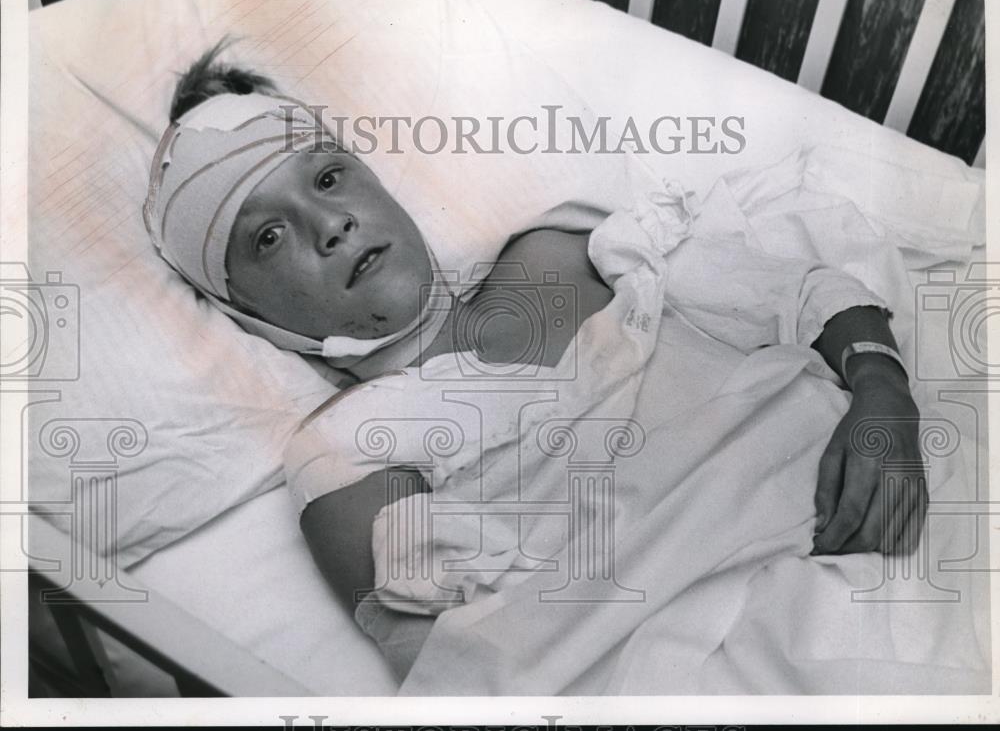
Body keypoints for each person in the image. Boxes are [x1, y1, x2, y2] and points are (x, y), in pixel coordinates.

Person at [144, 39, 928, 681]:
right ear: (244, 308)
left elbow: (785, 287)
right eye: (268, 237)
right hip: (745, 653)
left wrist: (882, 391)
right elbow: (464, 663)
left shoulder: (560, 250)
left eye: (327, 176)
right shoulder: (345, 449)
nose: (331, 225)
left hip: (896, 511)